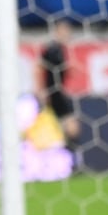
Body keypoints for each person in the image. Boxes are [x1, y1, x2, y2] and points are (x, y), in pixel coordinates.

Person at [34, 19, 81, 148]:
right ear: (57, 32)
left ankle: (69, 156)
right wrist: (40, 90)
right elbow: (38, 68)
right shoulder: (51, 48)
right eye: (64, 30)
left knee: (69, 126)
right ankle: (69, 156)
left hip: (58, 92)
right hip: (50, 93)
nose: (67, 34)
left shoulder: (61, 49)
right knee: (68, 126)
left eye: (68, 31)